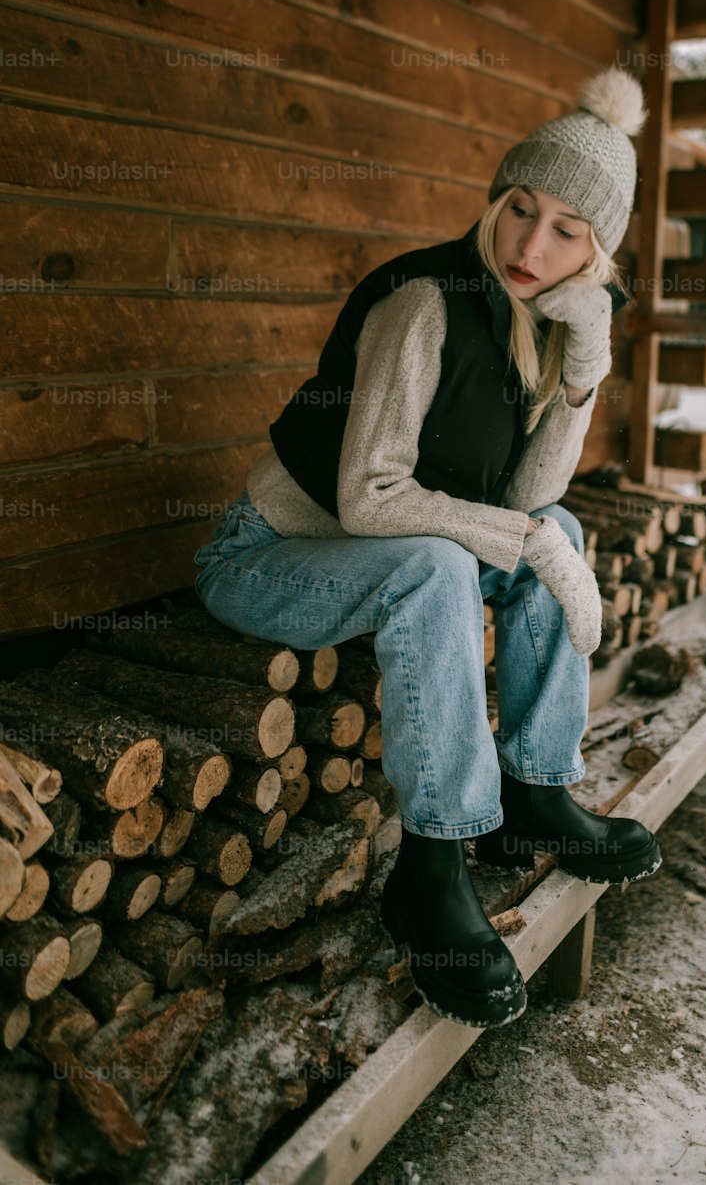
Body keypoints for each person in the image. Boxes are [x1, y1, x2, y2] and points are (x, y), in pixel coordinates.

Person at [192, 65, 663, 1030]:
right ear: (497, 197)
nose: (533, 245)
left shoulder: (535, 316)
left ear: (596, 253)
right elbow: (370, 499)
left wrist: (583, 371)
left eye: (568, 231)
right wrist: (527, 540)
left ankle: (536, 789)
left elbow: (533, 497)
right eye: (521, 210)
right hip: (266, 558)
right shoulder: (426, 304)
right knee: (447, 558)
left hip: (374, 550)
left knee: (557, 529)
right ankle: (432, 865)